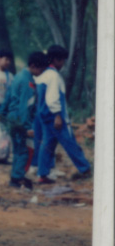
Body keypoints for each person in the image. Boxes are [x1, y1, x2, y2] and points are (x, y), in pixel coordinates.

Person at [35, 45, 92, 184]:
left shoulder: (43, 75)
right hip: (55, 117)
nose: (63, 64)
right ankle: (85, 169)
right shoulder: (54, 76)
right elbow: (52, 98)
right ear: (56, 59)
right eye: (62, 61)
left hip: (45, 116)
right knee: (69, 142)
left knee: (47, 144)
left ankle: (43, 174)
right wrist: (58, 116)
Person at [0, 51, 47, 190]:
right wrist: (26, 128)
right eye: (41, 69)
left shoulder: (18, 76)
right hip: (20, 119)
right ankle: (17, 178)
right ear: (33, 66)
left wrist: (2, 114)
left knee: (18, 150)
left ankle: (15, 176)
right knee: (24, 152)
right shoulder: (28, 82)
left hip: (12, 117)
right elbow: (25, 107)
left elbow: (8, 97)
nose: (42, 72)